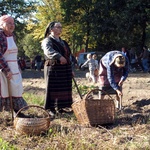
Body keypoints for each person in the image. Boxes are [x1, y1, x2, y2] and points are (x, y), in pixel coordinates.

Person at [41, 21, 73, 117]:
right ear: (51, 29)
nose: (60, 29)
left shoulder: (63, 42)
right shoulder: (47, 40)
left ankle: (61, 107)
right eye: (58, 27)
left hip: (64, 69)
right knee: (52, 88)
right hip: (53, 67)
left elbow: (68, 55)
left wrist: (71, 69)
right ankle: (50, 109)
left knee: (63, 87)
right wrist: (59, 56)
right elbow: (48, 51)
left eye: (61, 27)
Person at [0, 15, 27, 116]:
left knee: (16, 89)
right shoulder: (0, 35)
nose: (12, 25)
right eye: (9, 23)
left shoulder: (12, 36)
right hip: (3, 68)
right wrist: (6, 69)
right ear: (2, 24)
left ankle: (18, 113)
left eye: (13, 23)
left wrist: (18, 67)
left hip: (14, 68)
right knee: (3, 91)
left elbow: (14, 55)